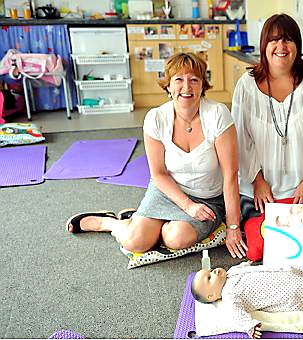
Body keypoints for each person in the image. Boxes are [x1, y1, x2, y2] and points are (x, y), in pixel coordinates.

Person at [66, 53, 247, 259]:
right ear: (168, 86)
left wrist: (233, 226)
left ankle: (144, 221)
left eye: (194, 80)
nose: (186, 87)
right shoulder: (156, 118)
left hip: (208, 199)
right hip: (168, 191)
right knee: (136, 242)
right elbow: (159, 174)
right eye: (179, 79)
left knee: (176, 239)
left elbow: (231, 174)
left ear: (202, 86)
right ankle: (109, 222)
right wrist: (187, 206)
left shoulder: (217, 114)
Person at [231, 13, 303, 263]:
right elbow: (240, 139)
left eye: (288, 40)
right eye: (274, 40)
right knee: (265, 245)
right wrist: (257, 180)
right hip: (260, 189)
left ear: (298, 46)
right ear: (264, 45)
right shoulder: (246, 85)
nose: (281, 47)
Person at [191, 262, 303, 338]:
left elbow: (243, 267)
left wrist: (246, 264)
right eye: (210, 277)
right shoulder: (229, 297)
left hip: (287, 270)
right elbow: (236, 315)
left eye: (211, 270)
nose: (215, 271)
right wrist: (249, 326)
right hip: (290, 293)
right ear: (212, 296)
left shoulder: (232, 271)